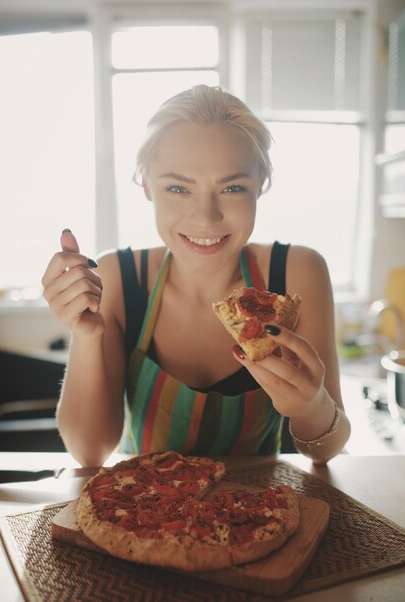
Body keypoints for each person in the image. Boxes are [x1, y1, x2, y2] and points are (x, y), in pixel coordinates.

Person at [42, 84, 351, 468]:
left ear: (262, 184)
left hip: (260, 517)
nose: (206, 217)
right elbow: (89, 452)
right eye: (177, 187)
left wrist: (313, 405)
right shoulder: (117, 278)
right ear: (147, 186)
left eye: (233, 187)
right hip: (142, 517)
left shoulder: (297, 272)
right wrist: (86, 334)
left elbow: (326, 449)